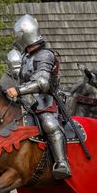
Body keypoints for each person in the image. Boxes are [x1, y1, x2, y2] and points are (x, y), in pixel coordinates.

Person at [6, 14, 71, 179]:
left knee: (49, 124)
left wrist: (19, 91)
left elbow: (43, 83)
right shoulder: (26, 56)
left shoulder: (45, 55)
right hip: (24, 101)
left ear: (23, 36)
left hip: (44, 101)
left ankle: (62, 163)